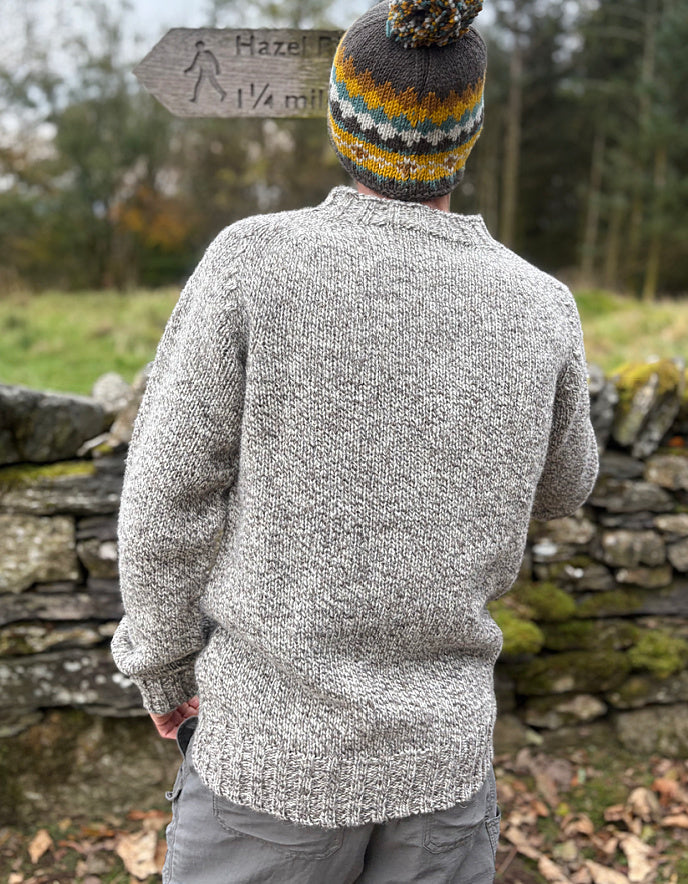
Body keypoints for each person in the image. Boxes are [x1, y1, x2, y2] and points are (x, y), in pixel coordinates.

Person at [111, 1, 599, 882]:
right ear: (469, 133)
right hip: (442, 769)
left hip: (266, 761)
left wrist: (161, 668)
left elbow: (165, 493)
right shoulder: (540, 304)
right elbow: (565, 485)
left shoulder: (255, 260)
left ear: (345, 120)